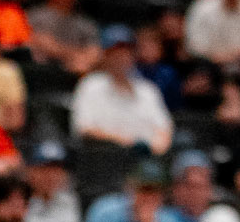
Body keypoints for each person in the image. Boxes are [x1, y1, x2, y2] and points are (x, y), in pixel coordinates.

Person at [70, 25, 174, 154]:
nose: (122, 56)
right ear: (105, 55)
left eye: (127, 51)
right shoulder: (91, 84)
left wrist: (156, 149)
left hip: (144, 159)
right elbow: (85, 129)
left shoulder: (147, 89)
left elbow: (164, 129)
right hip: (105, 156)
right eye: (115, 52)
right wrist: (128, 143)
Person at [27, 0, 103, 75]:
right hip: (43, 70)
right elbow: (43, 43)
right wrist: (75, 56)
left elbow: (95, 52)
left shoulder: (85, 23)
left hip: (79, 67)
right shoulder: (36, 16)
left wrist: (80, 59)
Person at [23, 140, 83, 222]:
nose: (50, 176)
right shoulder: (18, 202)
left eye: (56, 169)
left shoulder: (72, 203)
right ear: (29, 171)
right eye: (44, 169)